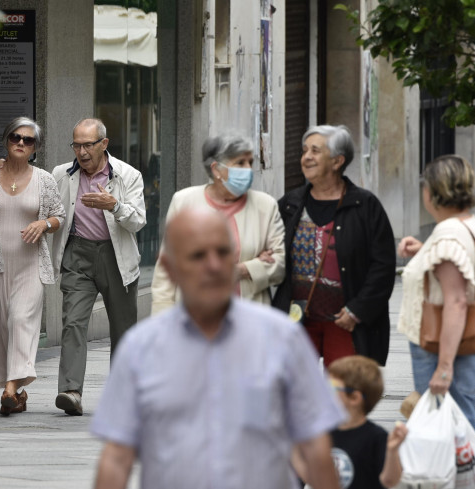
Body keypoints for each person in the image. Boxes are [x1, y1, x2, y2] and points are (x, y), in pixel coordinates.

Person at [91, 207, 343, 489]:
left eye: (223, 253)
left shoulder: (283, 339)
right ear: (171, 269)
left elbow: (315, 448)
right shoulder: (140, 350)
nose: (214, 265)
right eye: (198, 255)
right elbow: (116, 458)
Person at [0, 117, 66, 415]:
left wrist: (43, 223)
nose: (21, 143)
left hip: (30, 266)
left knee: (21, 321)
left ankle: (9, 390)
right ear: (7, 141)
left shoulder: (44, 179)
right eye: (16, 138)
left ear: (35, 148)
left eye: (28, 140)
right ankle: (17, 394)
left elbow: (59, 217)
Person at [397, 154, 475, 432]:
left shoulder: (448, 236)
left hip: (442, 350)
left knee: (449, 439)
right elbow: (461, 275)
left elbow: (457, 301)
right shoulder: (469, 227)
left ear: (433, 192)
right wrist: (427, 252)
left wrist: (444, 368)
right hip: (465, 349)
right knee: (458, 434)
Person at [271, 125, 396, 367]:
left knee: (343, 394)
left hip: (344, 321)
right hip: (297, 320)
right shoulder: (290, 204)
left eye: (315, 151)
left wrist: (357, 311)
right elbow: (271, 246)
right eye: (305, 150)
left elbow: (383, 266)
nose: (306, 157)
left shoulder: (365, 206)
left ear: (337, 161)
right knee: (295, 394)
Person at [51, 118, 146, 416]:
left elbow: (138, 221)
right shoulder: (61, 174)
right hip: (78, 254)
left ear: (104, 144)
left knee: (123, 326)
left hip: (115, 256)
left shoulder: (128, 175)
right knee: (73, 322)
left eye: (88, 145)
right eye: (76, 145)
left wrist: (114, 206)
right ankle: (70, 391)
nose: (81, 152)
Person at [150, 132, 285, 314]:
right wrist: (161, 320)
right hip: (194, 318)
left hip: (250, 319)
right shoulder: (184, 201)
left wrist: (242, 270)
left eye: (250, 162)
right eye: (240, 163)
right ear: (216, 169)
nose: (248, 169)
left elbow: (280, 264)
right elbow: (166, 270)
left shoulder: (266, 206)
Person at [293, 355, 408, 489]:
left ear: (354, 398)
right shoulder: (323, 433)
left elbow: (390, 481)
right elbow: (312, 477)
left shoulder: (376, 437)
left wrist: (392, 451)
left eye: (332, 387)